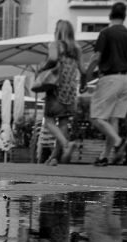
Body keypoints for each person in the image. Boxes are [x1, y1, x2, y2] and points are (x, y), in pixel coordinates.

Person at [85, 2, 127, 167]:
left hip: (110, 77)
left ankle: (118, 141)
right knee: (113, 119)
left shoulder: (106, 33)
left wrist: (86, 77)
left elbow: (96, 57)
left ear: (110, 15)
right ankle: (105, 157)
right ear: (124, 17)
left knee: (96, 117)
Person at [41, 20, 85, 166]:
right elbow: (83, 70)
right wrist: (83, 85)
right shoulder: (77, 49)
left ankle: (66, 144)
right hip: (71, 91)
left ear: (58, 31)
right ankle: (54, 158)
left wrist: (43, 68)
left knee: (49, 121)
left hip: (56, 88)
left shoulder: (55, 45)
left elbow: (53, 59)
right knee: (64, 122)